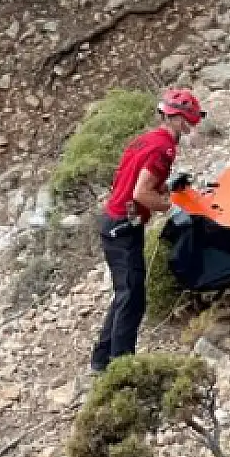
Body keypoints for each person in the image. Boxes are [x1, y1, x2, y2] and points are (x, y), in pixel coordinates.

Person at [89, 88, 204, 373]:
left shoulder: (147, 139)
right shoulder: (163, 148)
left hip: (116, 222)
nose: (191, 127)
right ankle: (122, 366)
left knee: (125, 294)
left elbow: (131, 179)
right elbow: (141, 193)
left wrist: (164, 187)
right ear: (178, 119)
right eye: (189, 121)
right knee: (132, 298)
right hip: (123, 227)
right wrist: (171, 210)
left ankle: (102, 360)